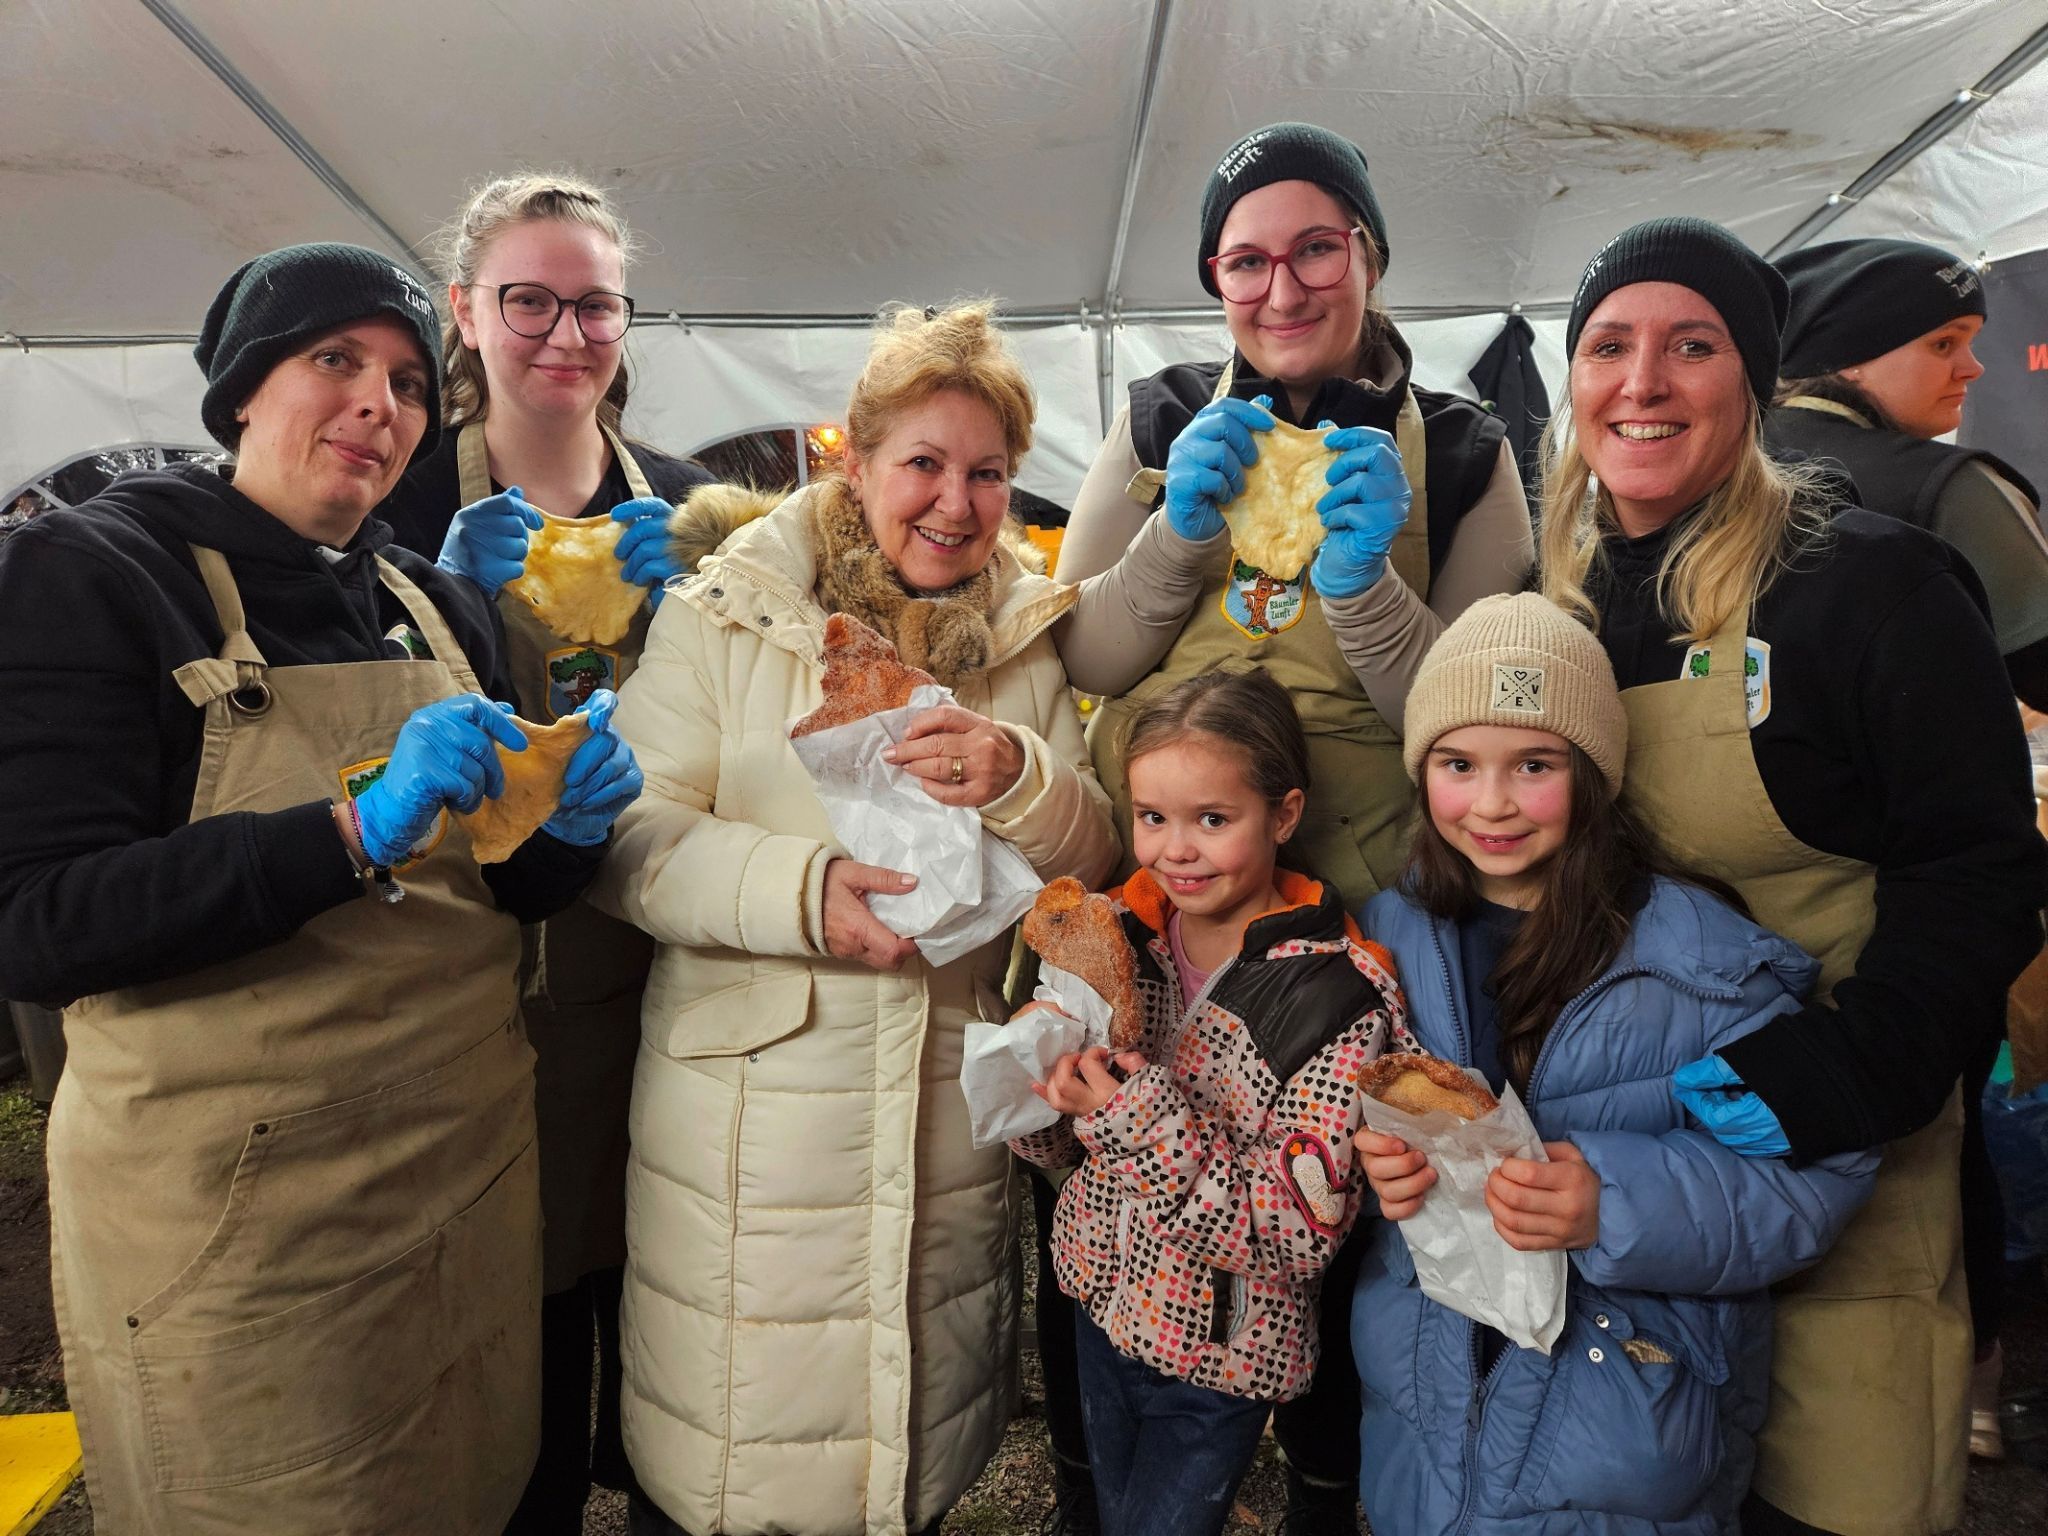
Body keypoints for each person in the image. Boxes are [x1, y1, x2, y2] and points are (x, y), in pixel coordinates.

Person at [0, 242, 642, 1534]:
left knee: (487, 1485)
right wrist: (347, 831)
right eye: (333, 360)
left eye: (407, 383)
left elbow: (497, 891)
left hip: (462, 1175)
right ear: (243, 389)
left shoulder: (433, 600)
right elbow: (40, 923)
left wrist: (568, 834)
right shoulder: (94, 575)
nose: (377, 405)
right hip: (246, 1223)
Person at [1049, 122, 1534, 1531]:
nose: (1281, 287)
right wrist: (1178, 536)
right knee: (1115, 1163)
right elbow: (1085, 653)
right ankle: (1098, 1479)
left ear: (1370, 256)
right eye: (1244, 260)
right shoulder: (1157, 421)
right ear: (1213, 278)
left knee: (1346, 1225)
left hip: (1368, 914)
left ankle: (1329, 1490)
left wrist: (1369, 585)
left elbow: (1473, 716)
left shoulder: (1468, 450)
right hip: (1165, 902)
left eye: (1316, 248)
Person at [1539, 216, 2046, 1536]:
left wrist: (1850, 1073)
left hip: (1846, 1176)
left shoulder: (1870, 584)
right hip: (1633, 1185)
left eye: (1690, 345)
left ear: (1755, 380)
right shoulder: (1561, 606)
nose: (1642, 382)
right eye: (1608, 346)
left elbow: (1980, 870)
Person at [590, 301, 1120, 1536]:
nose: (955, 503)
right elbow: (623, 841)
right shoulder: (728, 612)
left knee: (902, 1462)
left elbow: (1090, 860)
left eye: (986, 473)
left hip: (940, 1123)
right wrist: (799, 893)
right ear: (855, 461)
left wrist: (1020, 776)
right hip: (749, 1123)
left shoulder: (1021, 637)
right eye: (922, 463)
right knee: (735, 1454)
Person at [1350, 592, 1875, 1534]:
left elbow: (1818, 1173)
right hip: (1423, 1432)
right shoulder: (1382, 940)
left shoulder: (1705, 966)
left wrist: (1614, 1203)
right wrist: (1372, 1166)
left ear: (1593, 775)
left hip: (1623, 1441)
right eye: (1459, 764)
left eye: (1535, 764)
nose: (1493, 802)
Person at [378, 171, 714, 1531]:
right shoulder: (395, 501)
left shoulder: (687, 509)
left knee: (661, 1266)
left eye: (596, 305)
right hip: (479, 975)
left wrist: (700, 608)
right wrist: (436, 590)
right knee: (517, 1305)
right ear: (465, 312)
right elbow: (340, 742)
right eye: (530, 302)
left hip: (664, 955)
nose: (566, 335)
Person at [1012, 666, 1410, 1536]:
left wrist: (1131, 1117)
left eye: (1213, 820)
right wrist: (1036, 1088)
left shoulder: (1338, 998)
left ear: (1285, 815)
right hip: (1099, 1299)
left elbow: (1298, 1233)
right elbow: (1068, 1152)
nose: (1174, 851)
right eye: (1152, 817)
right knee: (1111, 1510)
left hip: (1221, 1351)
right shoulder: (1116, 938)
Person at [1767, 237, 2048, 709]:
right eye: (1944, 344)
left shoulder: (1711, 465)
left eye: (1970, 343)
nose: (1973, 368)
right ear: (1851, 357)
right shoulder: (1951, 487)